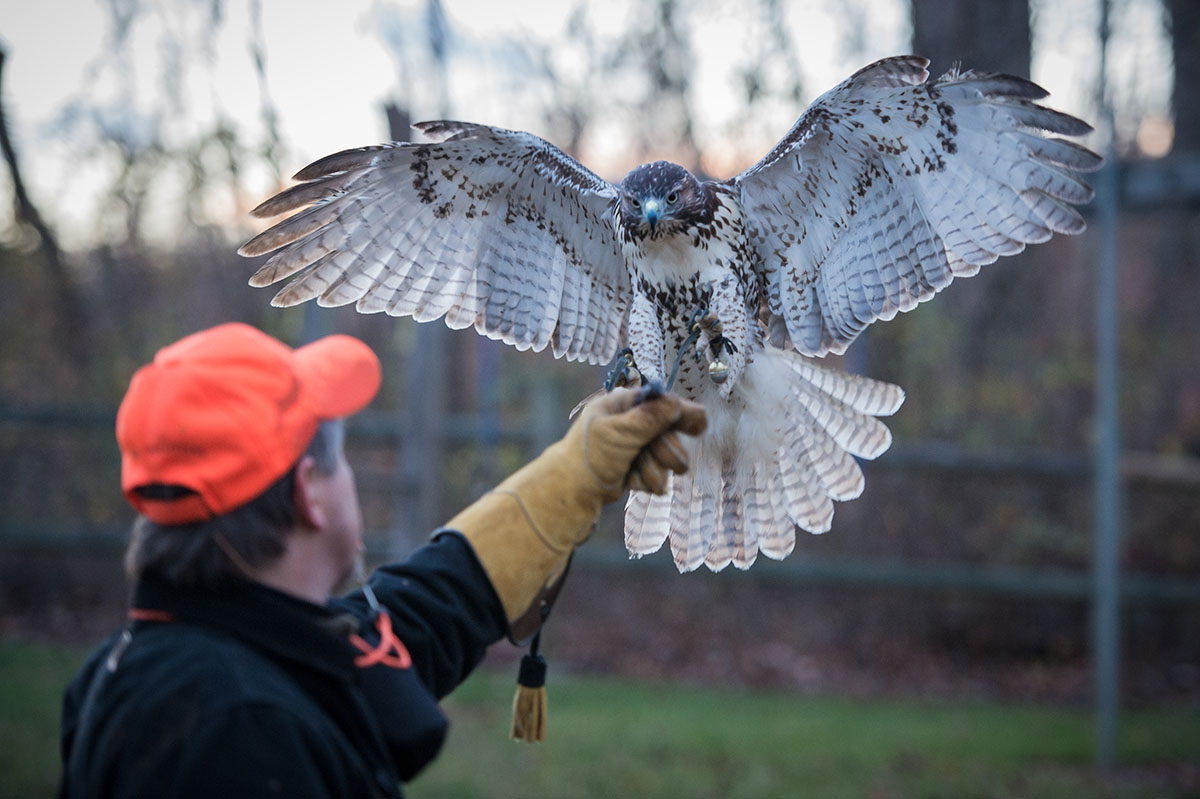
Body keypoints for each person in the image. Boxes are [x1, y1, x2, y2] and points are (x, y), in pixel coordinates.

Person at [58, 322, 706, 798]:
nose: (351, 473)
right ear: (308, 492)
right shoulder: (240, 731)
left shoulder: (189, 656)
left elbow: (418, 617)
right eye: (337, 449)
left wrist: (576, 474)